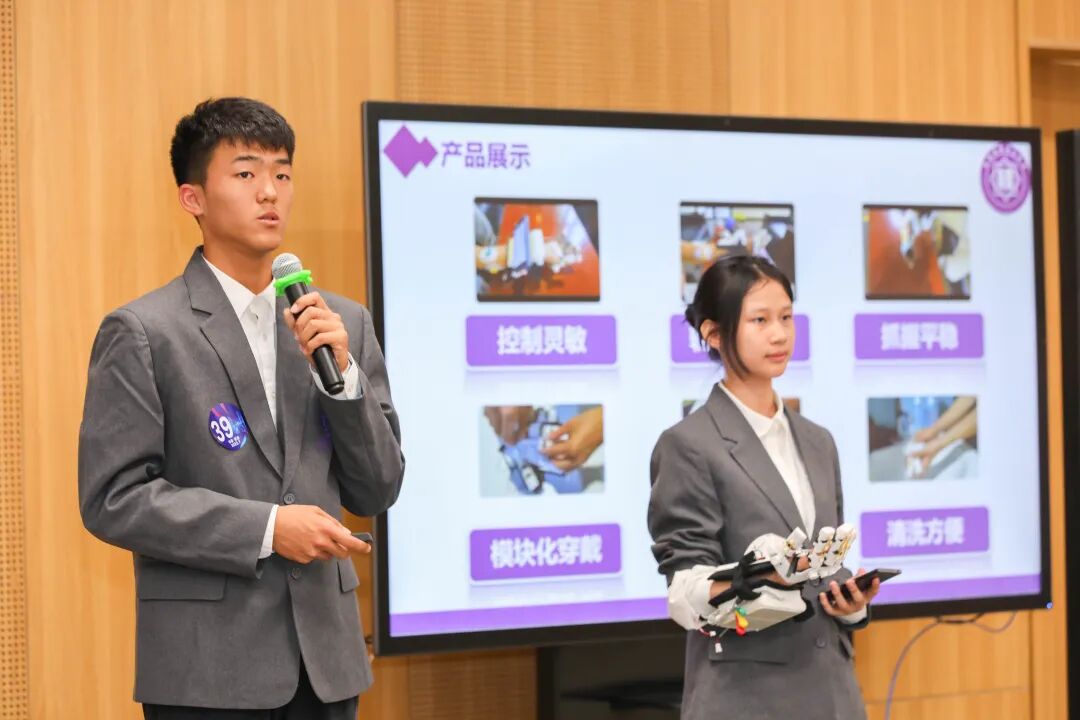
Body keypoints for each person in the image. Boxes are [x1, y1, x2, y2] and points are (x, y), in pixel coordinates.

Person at [78, 97, 405, 719]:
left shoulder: (341, 323)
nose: (270, 193)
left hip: (327, 667)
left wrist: (343, 383)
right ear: (193, 198)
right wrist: (268, 529)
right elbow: (113, 498)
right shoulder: (145, 331)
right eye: (246, 172)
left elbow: (378, 487)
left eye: (283, 173)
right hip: (208, 670)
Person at [648, 256, 877, 720]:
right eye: (760, 320)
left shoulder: (818, 440)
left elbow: (822, 567)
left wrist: (849, 604)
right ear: (714, 333)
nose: (780, 334)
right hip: (744, 699)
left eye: (786, 317)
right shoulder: (689, 444)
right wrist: (758, 577)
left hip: (833, 695)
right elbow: (685, 591)